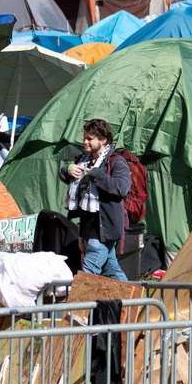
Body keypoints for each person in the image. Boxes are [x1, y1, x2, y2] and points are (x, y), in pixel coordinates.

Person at [60, 119, 130, 280]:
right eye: (85, 138)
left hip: (104, 228)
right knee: (111, 270)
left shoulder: (116, 162)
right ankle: (134, 304)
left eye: (90, 139)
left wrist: (96, 174)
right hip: (87, 225)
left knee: (88, 272)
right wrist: (67, 170)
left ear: (103, 140)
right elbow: (68, 176)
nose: (85, 142)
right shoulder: (83, 159)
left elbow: (121, 188)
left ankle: (79, 305)